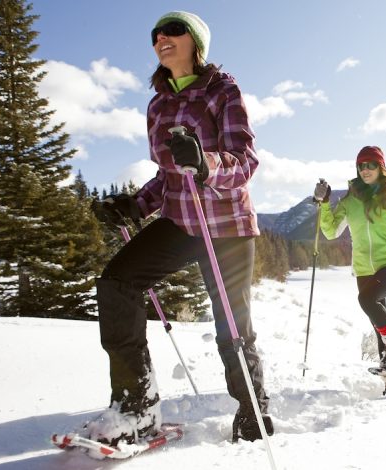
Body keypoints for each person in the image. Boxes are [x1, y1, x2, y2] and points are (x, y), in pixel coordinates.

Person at [89, 10, 272, 445]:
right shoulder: (157, 104)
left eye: (173, 30)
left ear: (196, 43)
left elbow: (244, 161)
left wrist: (206, 163)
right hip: (181, 221)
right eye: (156, 33)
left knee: (232, 323)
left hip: (226, 225)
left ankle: (253, 414)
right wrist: (135, 205)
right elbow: (168, 177)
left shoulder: (221, 90)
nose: (161, 38)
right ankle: (136, 404)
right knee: (116, 283)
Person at [313, 146, 386, 371]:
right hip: (363, 269)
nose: (365, 169)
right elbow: (331, 231)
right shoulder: (350, 201)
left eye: (371, 164)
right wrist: (323, 203)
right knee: (377, 322)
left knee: (367, 300)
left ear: (381, 167)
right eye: (361, 165)